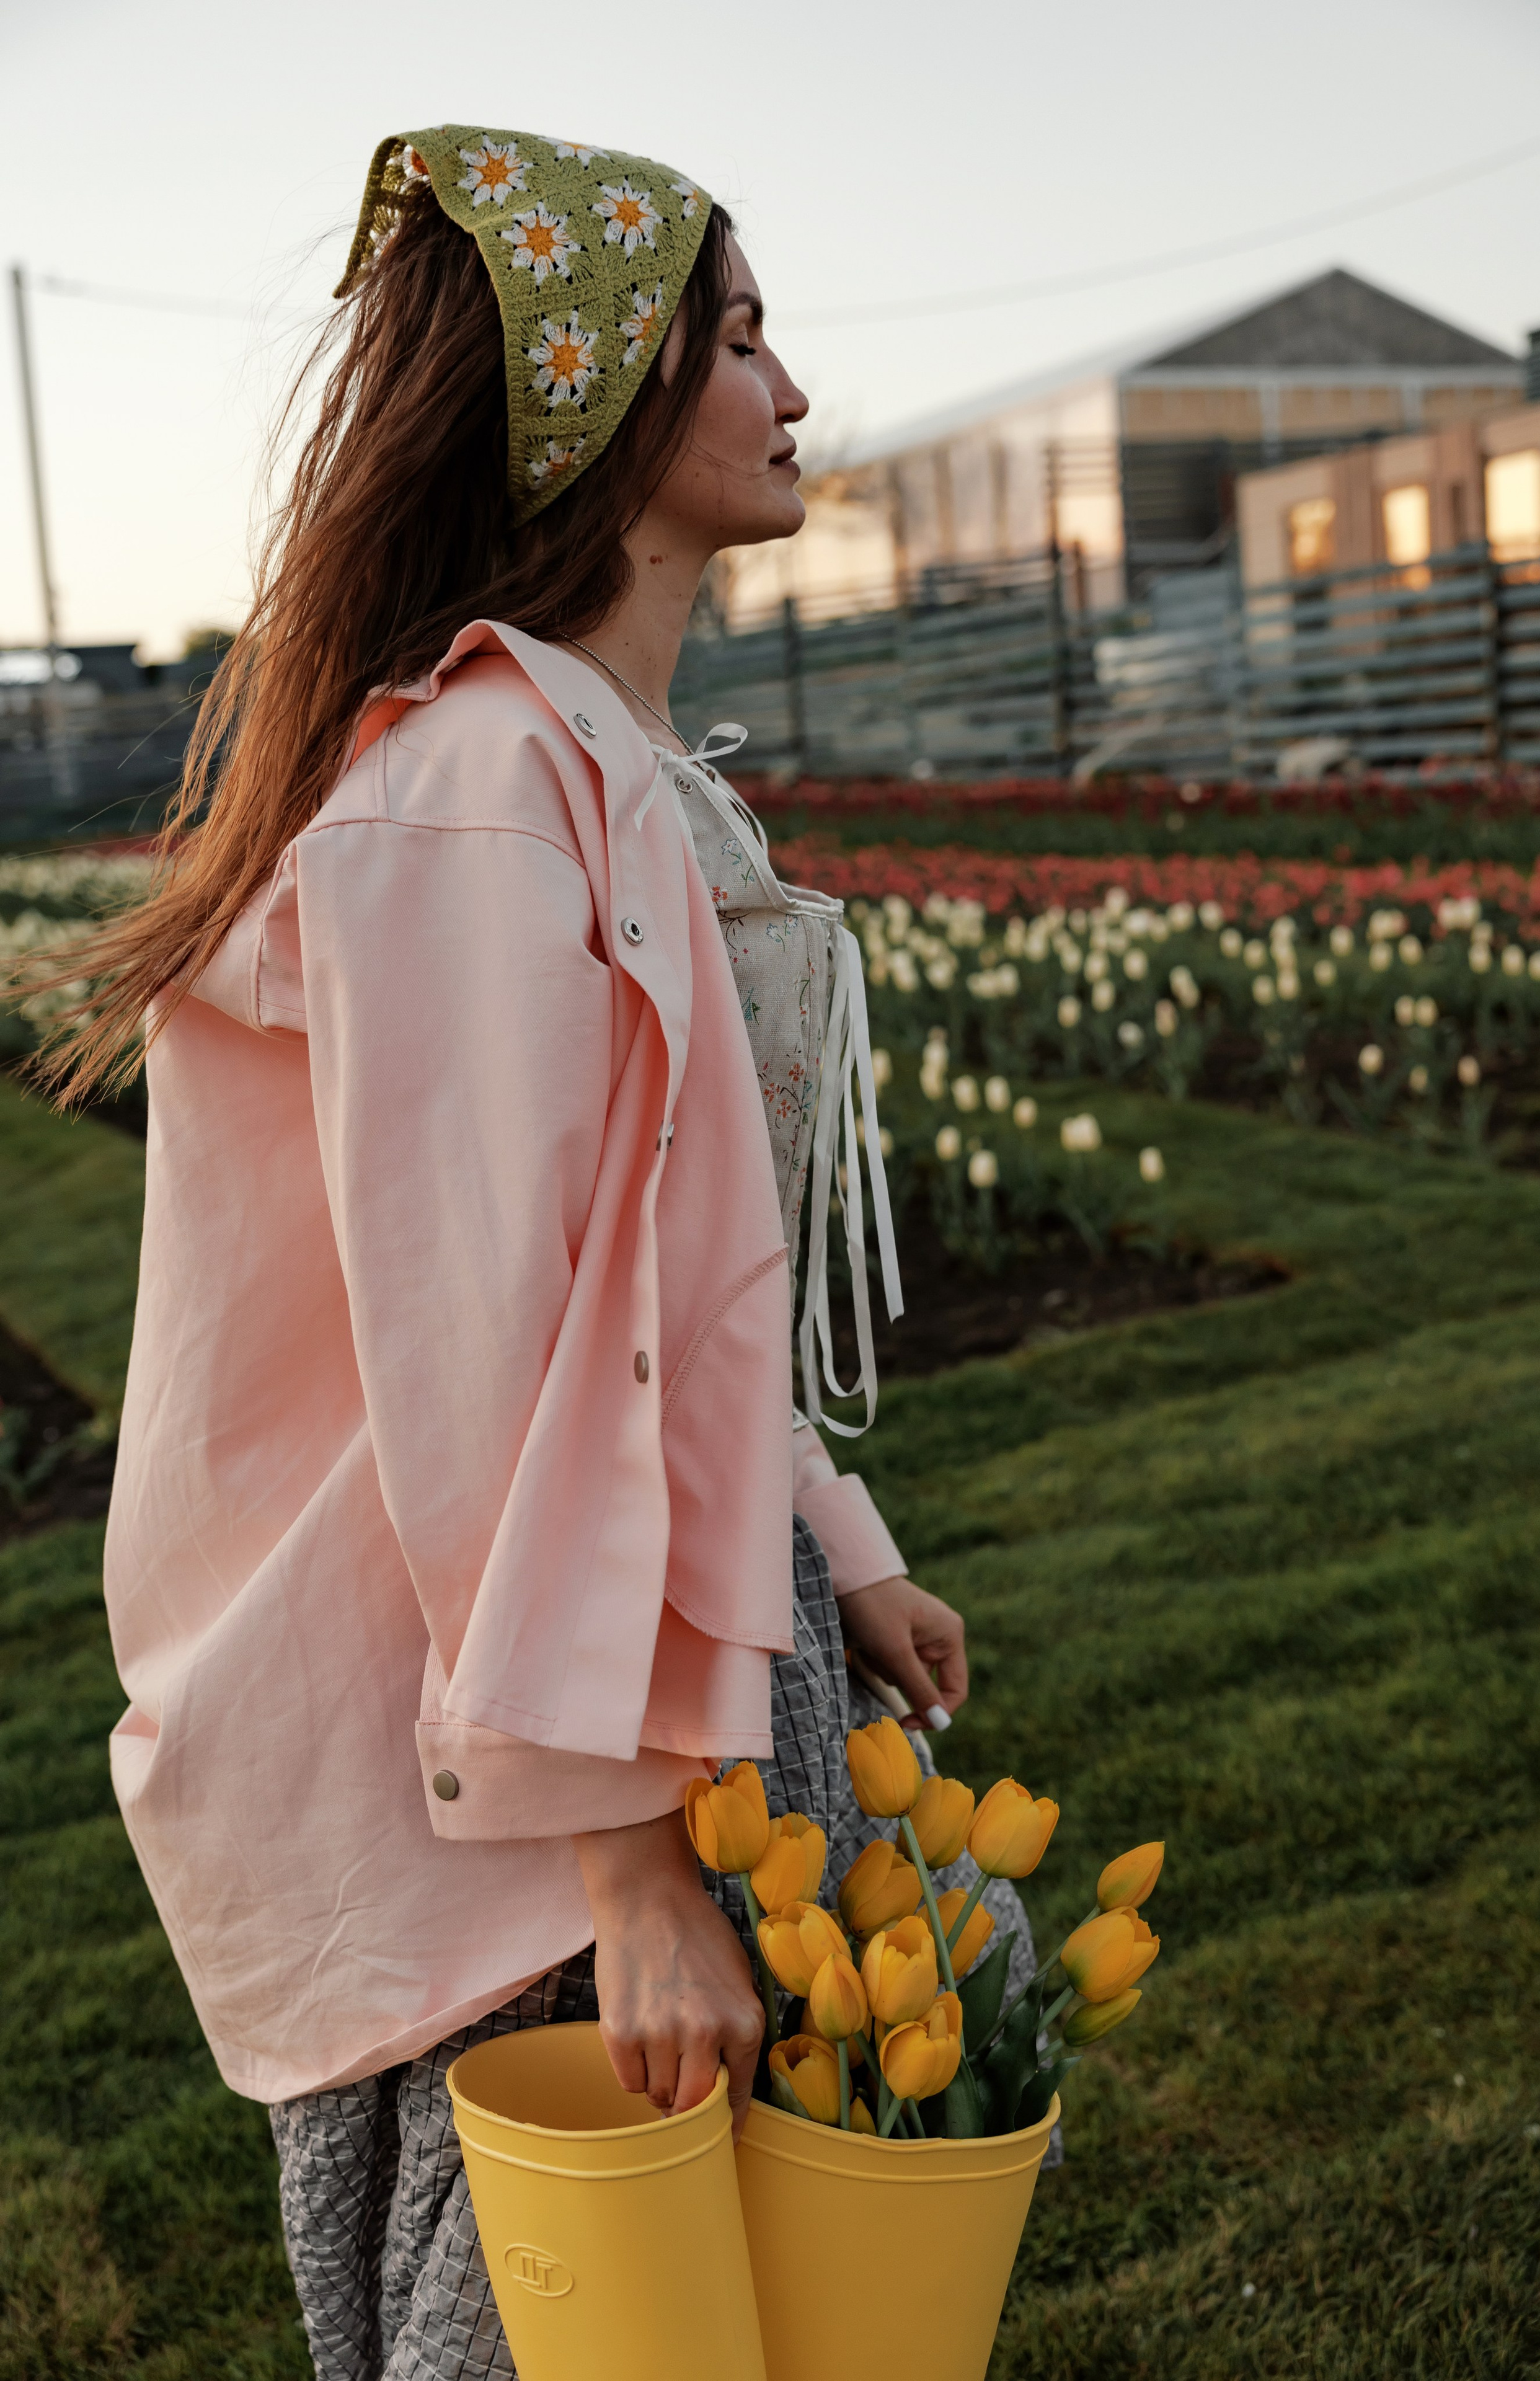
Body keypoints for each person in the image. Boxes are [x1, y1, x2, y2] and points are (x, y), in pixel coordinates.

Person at [35, 125, 1035, 2380]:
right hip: (544, 1725)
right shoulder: (483, 792)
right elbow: (486, 1365)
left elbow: (669, 1292)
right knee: (587, 2320)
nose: (796, 390)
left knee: (753, 2298)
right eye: (744, 337)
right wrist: (625, 1876)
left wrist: (830, 1544)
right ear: (593, 397)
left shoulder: (596, 759)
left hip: (657, 1645)